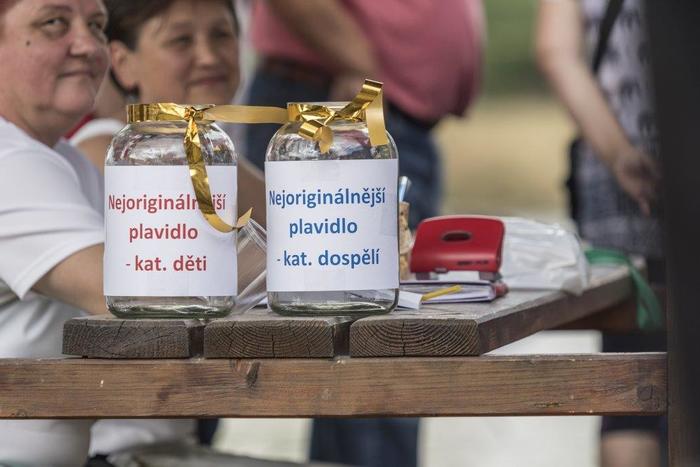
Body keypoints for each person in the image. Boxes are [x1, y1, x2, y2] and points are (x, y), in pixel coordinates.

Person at [243, 2, 484, 466]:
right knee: (377, 353)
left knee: (379, 351)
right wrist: (359, 63)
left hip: (388, 114)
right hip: (334, 105)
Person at [536, 1, 666, 467]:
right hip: (645, 179)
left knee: (630, 385)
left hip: (624, 178)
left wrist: (618, 153)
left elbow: (556, 51)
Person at [76, 0, 267, 225]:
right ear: (122, 62)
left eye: (221, 35)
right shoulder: (108, 154)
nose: (209, 57)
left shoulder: (219, 143)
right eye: (181, 40)